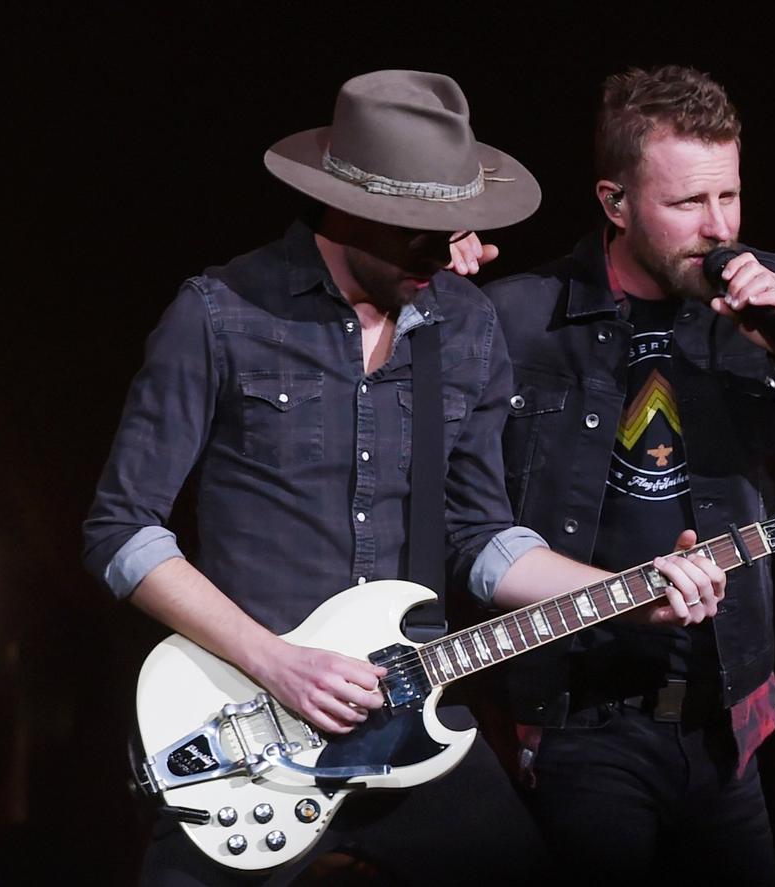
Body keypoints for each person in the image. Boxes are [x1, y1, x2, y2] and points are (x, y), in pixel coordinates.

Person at [82, 69, 726, 886]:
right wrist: (277, 661)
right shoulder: (219, 313)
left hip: (408, 710)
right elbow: (122, 532)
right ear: (344, 204)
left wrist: (630, 590)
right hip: (250, 717)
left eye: (452, 225)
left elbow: (482, 539)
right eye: (415, 229)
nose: (442, 251)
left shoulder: (463, 326)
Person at [482, 65, 775, 885]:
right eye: (687, 204)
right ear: (614, 202)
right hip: (578, 722)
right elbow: (469, 523)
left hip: (723, 725)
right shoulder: (520, 318)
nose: (720, 230)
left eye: (730, 198)